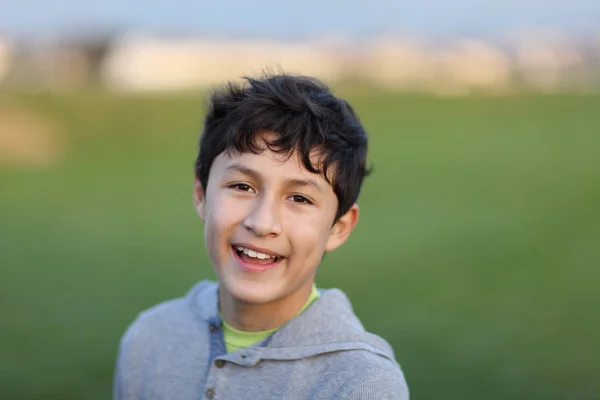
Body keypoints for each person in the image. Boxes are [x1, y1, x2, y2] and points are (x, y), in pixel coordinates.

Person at [113, 72, 409, 399]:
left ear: (338, 228)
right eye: (242, 186)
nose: (262, 222)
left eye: (300, 198)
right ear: (201, 194)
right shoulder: (148, 339)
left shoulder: (361, 383)